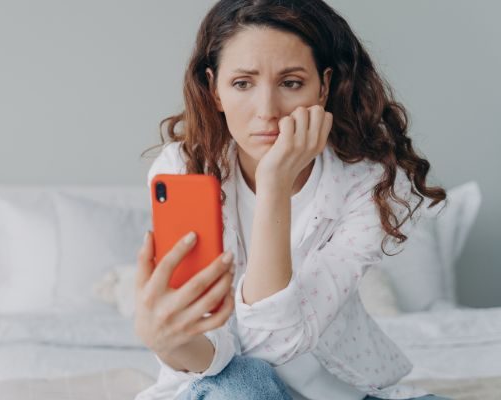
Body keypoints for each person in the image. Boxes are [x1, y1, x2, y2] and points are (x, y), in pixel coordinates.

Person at [133, 0, 449, 399]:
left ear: (324, 87)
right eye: (243, 83)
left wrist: (274, 187)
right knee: (240, 386)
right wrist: (165, 342)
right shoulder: (184, 167)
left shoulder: (369, 183)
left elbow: (275, 344)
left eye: (291, 83)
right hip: (225, 387)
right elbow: (219, 354)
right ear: (214, 90)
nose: (267, 111)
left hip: (338, 392)